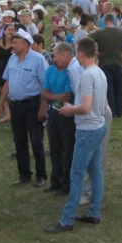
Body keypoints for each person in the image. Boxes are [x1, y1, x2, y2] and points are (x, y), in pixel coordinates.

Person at [46, 37, 108, 233]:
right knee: (95, 171)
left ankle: (67, 219)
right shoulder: (99, 72)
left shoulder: (87, 76)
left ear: (81, 53)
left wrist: (71, 109)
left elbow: (87, 107)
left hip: (87, 130)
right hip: (98, 126)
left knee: (77, 173)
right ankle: (94, 212)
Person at [0, 29, 48, 187]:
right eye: (12, 42)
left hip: (32, 104)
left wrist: (43, 107)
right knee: (19, 141)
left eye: (15, 43)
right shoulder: (12, 59)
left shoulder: (38, 60)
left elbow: (45, 85)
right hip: (16, 105)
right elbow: (7, 82)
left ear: (26, 45)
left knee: (36, 141)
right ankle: (24, 174)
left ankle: (41, 175)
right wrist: (1, 102)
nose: (12, 45)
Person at [40, 43, 76, 195]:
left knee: (67, 149)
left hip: (66, 114)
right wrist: (55, 97)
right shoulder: (50, 69)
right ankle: (56, 180)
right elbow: (43, 93)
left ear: (64, 55)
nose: (52, 58)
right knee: (54, 147)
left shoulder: (70, 72)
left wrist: (51, 97)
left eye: (54, 56)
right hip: (54, 112)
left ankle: (67, 184)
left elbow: (67, 96)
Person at [89, 13, 122, 118]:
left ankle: (111, 111)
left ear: (104, 21)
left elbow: (86, 40)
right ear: (114, 21)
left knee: (108, 88)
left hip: (104, 63)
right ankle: (120, 111)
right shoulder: (121, 32)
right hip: (118, 63)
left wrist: (95, 50)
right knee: (119, 88)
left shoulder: (99, 33)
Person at [0, 22, 16, 121]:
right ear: (4, 31)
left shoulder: (16, 43)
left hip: (11, 68)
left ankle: (12, 110)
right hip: (0, 67)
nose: (11, 32)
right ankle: (8, 113)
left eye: (13, 30)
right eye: (9, 30)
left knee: (10, 91)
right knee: (2, 90)